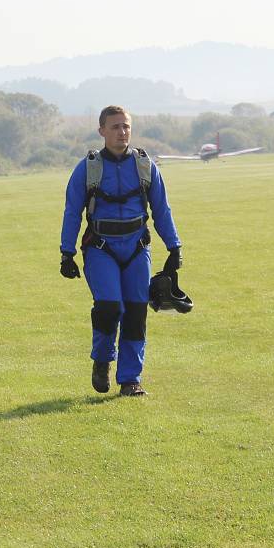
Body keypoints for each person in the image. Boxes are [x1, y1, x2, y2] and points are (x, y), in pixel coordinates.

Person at [59, 105, 182, 397]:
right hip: (101, 248)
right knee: (109, 307)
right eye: (114, 127)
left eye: (125, 126)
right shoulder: (87, 168)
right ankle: (102, 360)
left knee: (136, 312)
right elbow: (72, 211)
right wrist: (67, 252)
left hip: (137, 247)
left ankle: (130, 380)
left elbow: (161, 209)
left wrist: (174, 246)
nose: (121, 132)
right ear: (102, 131)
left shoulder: (144, 165)